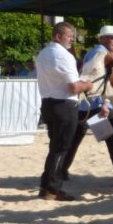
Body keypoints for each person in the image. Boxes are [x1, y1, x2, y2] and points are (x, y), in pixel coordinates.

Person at [60, 25, 113, 182]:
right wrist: (105, 104)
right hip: (95, 101)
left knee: (81, 135)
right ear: (102, 38)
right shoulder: (101, 54)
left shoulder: (95, 52)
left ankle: (62, 168)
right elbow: (97, 79)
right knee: (106, 137)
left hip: (87, 101)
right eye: (112, 38)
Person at [36, 22, 94, 201]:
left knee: (55, 147)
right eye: (69, 36)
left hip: (48, 103)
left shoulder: (43, 53)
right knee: (61, 148)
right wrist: (88, 84)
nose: (72, 39)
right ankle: (53, 189)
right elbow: (73, 87)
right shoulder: (64, 56)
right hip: (64, 106)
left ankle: (46, 186)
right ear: (58, 36)